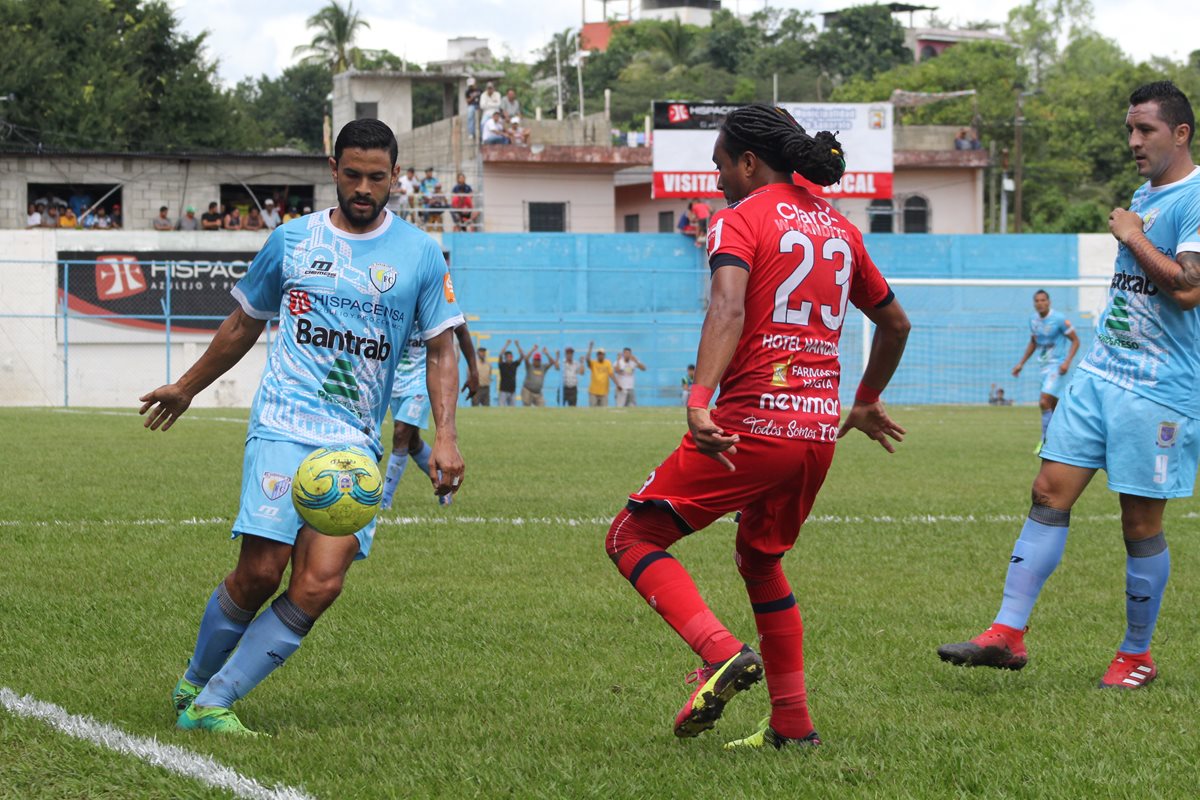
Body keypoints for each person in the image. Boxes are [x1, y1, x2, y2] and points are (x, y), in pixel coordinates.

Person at [139, 118, 466, 736]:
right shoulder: (292, 240)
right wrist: (185, 386)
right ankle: (194, 681)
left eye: (377, 177)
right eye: (353, 175)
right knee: (261, 572)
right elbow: (243, 324)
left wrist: (444, 436)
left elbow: (441, 348)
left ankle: (212, 702)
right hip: (285, 422)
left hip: (354, 444)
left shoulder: (421, 254)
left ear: (396, 176)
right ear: (334, 170)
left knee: (319, 583)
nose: (364, 188)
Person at [604, 103, 909, 751]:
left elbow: (728, 305)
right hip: (819, 432)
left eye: (720, 166)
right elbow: (896, 323)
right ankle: (793, 728)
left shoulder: (740, 219)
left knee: (633, 535)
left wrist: (698, 396)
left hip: (752, 425)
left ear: (749, 162)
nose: (716, 182)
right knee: (761, 559)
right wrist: (866, 398)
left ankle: (718, 653)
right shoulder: (839, 228)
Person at [937, 81, 1200, 691]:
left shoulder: (1193, 198)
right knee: (1048, 492)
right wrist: (1135, 225)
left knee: (1138, 522)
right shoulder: (1145, 193)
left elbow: (1188, 290)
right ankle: (1007, 632)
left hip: (1156, 390)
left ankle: (1136, 654)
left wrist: (1132, 234)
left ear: (1180, 133)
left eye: (1146, 131)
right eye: (1130, 130)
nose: (1133, 141)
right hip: (1100, 376)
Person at [381, 322, 478, 509]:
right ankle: (445, 485)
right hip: (395, 379)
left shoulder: (436, 296)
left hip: (423, 379)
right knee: (411, 442)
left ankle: (384, 501)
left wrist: (473, 371)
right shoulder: (393, 295)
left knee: (401, 433)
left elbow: (462, 331)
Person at [1012, 289, 1080, 449]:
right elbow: (1033, 342)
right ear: (1034, 303)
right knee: (1054, 406)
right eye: (1037, 300)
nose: (1040, 303)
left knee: (1044, 401)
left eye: (1043, 300)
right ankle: (1066, 438)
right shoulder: (1033, 320)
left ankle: (1045, 441)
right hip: (1043, 366)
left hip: (1057, 366)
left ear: (1049, 302)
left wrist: (1067, 362)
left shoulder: (1059, 319)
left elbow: (1076, 341)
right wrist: (1021, 363)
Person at [586, 342, 614, 407]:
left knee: (604, 412)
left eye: (602, 354)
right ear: (597, 355)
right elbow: (587, 360)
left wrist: (617, 384)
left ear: (604, 355)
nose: (600, 355)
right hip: (593, 392)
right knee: (593, 411)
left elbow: (611, 374)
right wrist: (590, 348)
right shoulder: (593, 363)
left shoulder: (608, 363)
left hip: (604, 392)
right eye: (599, 354)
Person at [496, 340, 522, 406]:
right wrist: (506, 344)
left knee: (512, 410)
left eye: (511, 356)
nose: (510, 358)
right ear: (505, 357)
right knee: (501, 408)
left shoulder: (514, 364)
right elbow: (500, 355)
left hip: (512, 391)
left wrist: (517, 345)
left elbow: (522, 356)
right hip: (503, 391)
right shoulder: (502, 365)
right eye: (508, 356)